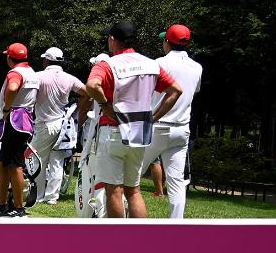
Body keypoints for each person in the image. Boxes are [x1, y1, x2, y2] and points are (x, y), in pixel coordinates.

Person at [82, 21, 184, 219]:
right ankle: (140, 239)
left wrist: (104, 105)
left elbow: (92, 85)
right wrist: (154, 118)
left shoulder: (108, 64)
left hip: (112, 130)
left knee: (114, 190)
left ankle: (118, 239)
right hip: (140, 132)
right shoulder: (152, 64)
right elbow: (176, 91)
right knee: (133, 190)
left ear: (112, 40)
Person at [144, 24, 203, 219]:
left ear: (167, 42)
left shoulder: (158, 63)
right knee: (177, 181)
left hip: (156, 125)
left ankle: (126, 218)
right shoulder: (197, 67)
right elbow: (192, 92)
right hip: (181, 128)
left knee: (132, 175)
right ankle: (176, 225)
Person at [0, 43, 40, 217]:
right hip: (23, 121)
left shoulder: (15, 73)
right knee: (2, 162)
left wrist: (7, 108)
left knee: (15, 165)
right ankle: (1, 204)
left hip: (15, 120)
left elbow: (13, 88)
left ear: (9, 58)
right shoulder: (32, 72)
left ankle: (18, 207)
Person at [33, 47, 86, 204]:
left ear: (47, 60)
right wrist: (78, 106)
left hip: (44, 124)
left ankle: (38, 195)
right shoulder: (70, 78)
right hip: (63, 125)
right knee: (57, 162)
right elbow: (87, 92)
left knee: (38, 160)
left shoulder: (39, 76)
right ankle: (52, 197)